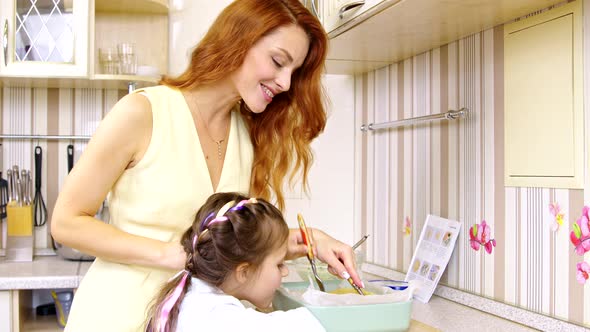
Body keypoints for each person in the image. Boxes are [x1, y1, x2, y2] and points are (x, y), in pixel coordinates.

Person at [51, 0, 362, 331]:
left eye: (293, 72)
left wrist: (310, 239)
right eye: (278, 62)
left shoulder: (247, 136)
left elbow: (232, 242)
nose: (285, 82)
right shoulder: (142, 113)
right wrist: (173, 256)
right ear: (238, 40)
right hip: (118, 315)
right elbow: (67, 223)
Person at [144, 192, 326, 332]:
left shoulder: (191, 291)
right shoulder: (218, 319)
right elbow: (303, 326)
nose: (285, 271)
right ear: (244, 272)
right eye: (279, 264)